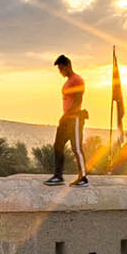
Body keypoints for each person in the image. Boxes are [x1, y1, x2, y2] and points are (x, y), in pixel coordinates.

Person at [46, 54, 89, 186]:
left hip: (74, 119)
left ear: (67, 66)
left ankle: (83, 178)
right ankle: (58, 176)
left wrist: (67, 115)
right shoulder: (68, 82)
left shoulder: (77, 80)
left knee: (76, 148)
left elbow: (78, 100)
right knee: (58, 145)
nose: (60, 71)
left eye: (61, 68)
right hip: (66, 119)